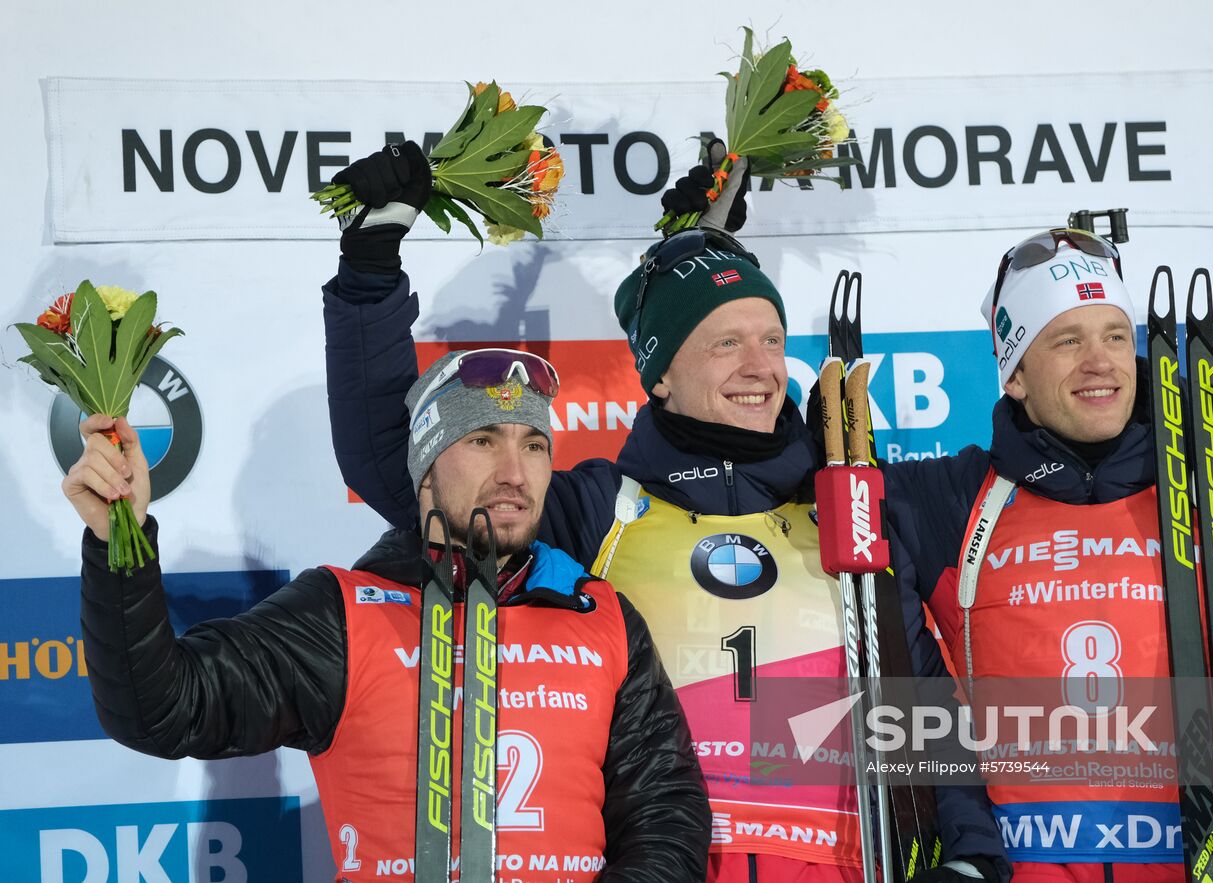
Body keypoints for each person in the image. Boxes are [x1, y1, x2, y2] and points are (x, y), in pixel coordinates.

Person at [322, 144, 1010, 882]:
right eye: (725, 343)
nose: (760, 365)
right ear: (660, 377)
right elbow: (406, 466)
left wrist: (970, 855)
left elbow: (914, 692)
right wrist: (369, 271)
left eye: (771, 339)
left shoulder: (845, 502)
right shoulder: (596, 511)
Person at [65, 347, 710, 882]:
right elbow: (161, 711)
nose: (515, 472)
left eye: (535, 445)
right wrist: (118, 540)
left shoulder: (601, 616)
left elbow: (666, 814)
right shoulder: (343, 612)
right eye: (482, 440)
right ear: (426, 468)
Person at [888, 228, 1213, 882]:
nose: (1100, 361)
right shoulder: (947, 499)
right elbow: (762, 461)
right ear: (1014, 373)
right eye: (1067, 340)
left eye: (1116, 335)